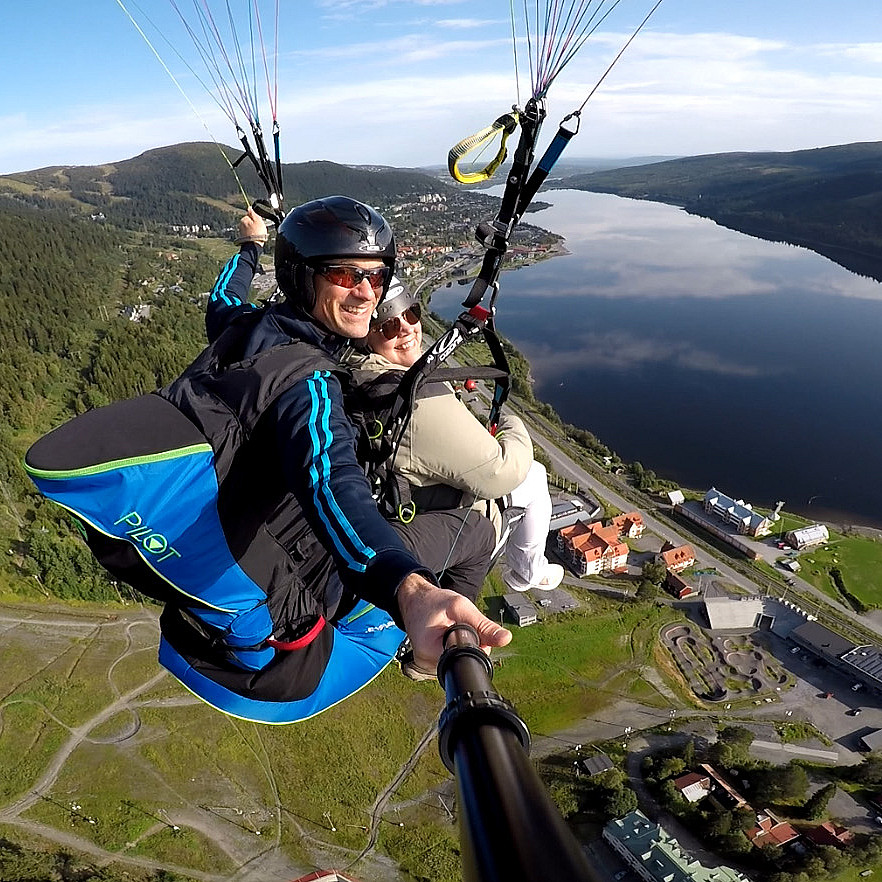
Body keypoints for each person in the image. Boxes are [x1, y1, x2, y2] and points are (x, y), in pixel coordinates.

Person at [196, 198, 509, 686]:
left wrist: (249, 245)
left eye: (377, 277)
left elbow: (224, 297)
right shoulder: (309, 381)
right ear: (302, 276)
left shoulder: (244, 326)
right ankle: (435, 644)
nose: (367, 293)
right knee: (482, 527)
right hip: (296, 577)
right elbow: (331, 481)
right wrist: (408, 589)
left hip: (233, 538)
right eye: (345, 275)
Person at [354, 276, 565, 593]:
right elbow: (499, 473)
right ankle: (526, 574)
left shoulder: (359, 372)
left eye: (411, 314)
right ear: (366, 336)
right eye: (388, 327)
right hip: (446, 517)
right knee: (533, 475)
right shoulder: (406, 397)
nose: (407, 329)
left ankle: (527, 571)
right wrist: (512, 424)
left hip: (405, 494)